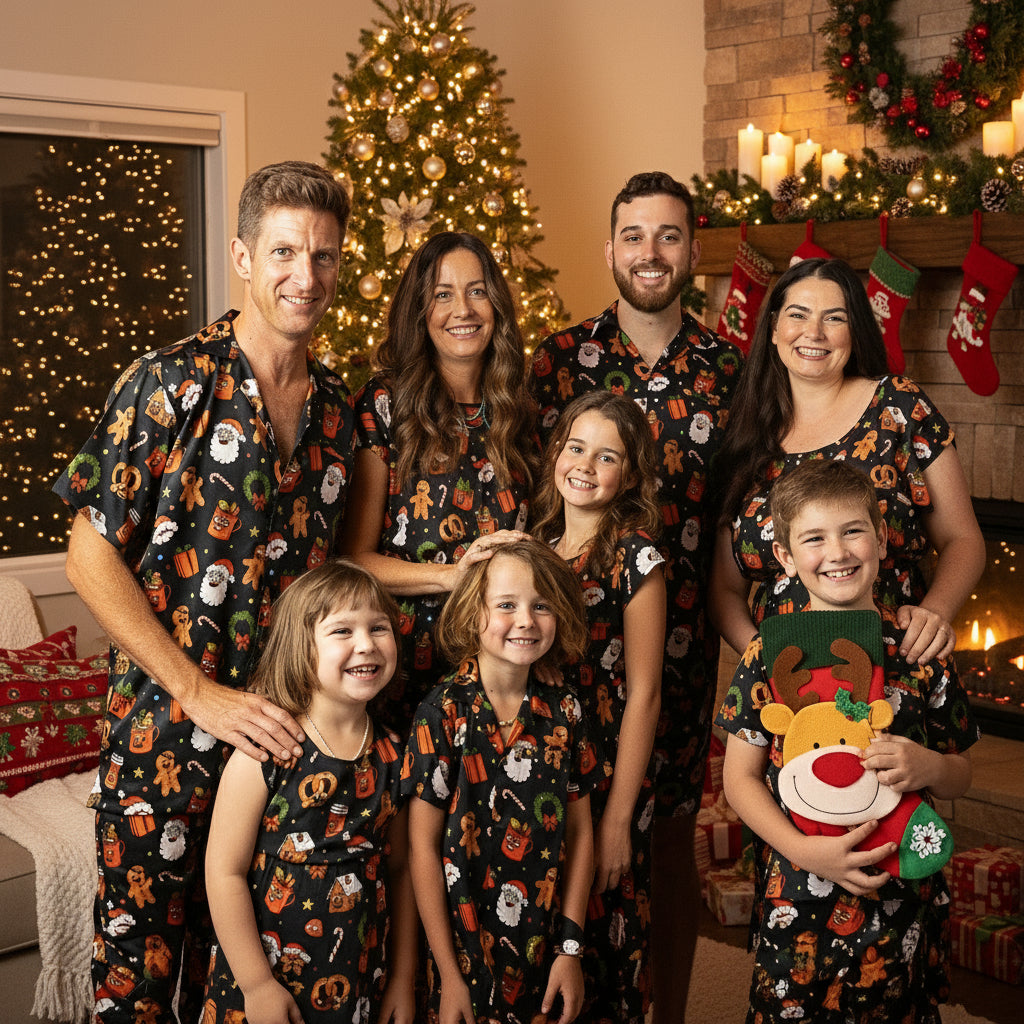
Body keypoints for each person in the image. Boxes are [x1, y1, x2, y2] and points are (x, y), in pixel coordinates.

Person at [53, 161, 354, 1021]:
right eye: (286, 251)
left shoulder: (337, 408)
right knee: (141, 990)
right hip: (164, 737)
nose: (307, 275)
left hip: (282, 742)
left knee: (254, 985)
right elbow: (86, 557)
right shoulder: (168, 384)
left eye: (325, 256)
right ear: (244, 258)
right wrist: (196, 692)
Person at [532, 171, 742, 1020]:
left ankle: (671, 1010)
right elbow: (534, 490)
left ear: (692, 251)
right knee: (561, 835)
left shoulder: (732, 368)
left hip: (676, 654)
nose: (649, 253)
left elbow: (749, 506)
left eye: (667, 236)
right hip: (565, 649)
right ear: (609, 248)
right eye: (633, 235)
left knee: (659, 846)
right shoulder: (559, 360)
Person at [716, 458, 978, 1022]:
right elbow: (737, 778)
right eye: (814, 538)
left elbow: (962, 773)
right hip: (798, 886)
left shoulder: (918, 648)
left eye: (853, 530)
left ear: (882, 539)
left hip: (902, 891)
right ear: (786, 558)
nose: (837, 553)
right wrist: (804, 850)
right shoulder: (768, 653)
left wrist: (928, 765)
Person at [710, 257, 985, 666]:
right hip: (785, 680)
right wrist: (764, 661)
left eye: (834, 318)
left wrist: (937, 612)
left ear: (855, 331)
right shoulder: (745, 434)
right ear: (772, 329)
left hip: (894, 660)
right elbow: (723, 590)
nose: (814, 332)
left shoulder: (898, 407)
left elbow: (963, 539)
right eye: (798, 315)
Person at [201, 560, 415, 1023]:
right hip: (266, 983)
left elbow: (401, 873)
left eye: (379, 627)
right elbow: (224, 872)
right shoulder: (268, 751)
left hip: (359, 979)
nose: (367, 644)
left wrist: (402, 976)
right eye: (342, 631)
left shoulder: (396, 756)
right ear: (302, 648)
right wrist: (257, 985)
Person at [341, 231, 537, 731]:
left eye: (477, 291)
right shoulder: (383, 405)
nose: (463, 310)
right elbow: (354, 558)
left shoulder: (519, 409)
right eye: (443, 294)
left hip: (502, 663)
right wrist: (453, 577)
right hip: (406, 667)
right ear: (420, 309)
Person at [403, 539, 596, 1024]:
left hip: (545, 944)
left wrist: (569, 950)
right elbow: (421, 848)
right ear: (474, 613)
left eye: (541, 606)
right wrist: (447, 972)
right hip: (459, 950)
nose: (526, 620)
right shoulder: (441, 712)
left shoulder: (566, 710)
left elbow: (581, 832)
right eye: (506, 605)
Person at [533, 391, 665, 1023]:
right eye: (575, 447)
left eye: (606, 455)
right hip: (534, 767)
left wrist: (618, 820)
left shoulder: (635, 556)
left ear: (630, 474)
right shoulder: (533, 547)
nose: (584, 464)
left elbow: (645, 691)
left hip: (605, 767)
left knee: (601, 931)